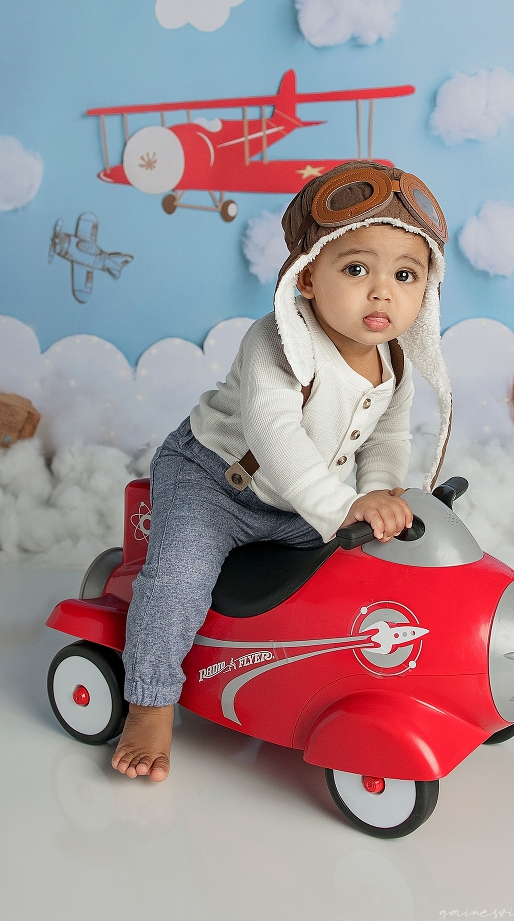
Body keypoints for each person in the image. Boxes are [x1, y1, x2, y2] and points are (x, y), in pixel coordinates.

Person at [112, 160, 452, 781]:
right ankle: (150, 701)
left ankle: (345, 672)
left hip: (300, 501)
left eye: (405, 274)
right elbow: (274, 434)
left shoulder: (394, 363)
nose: (382, 292)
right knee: (178, 579)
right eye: (355, 269)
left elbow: (387, 437)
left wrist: (378, 491)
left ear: (425, 290)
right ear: (304, 278)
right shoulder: (275, 341)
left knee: (356, 571)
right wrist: (340, 505)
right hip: (215, 480)